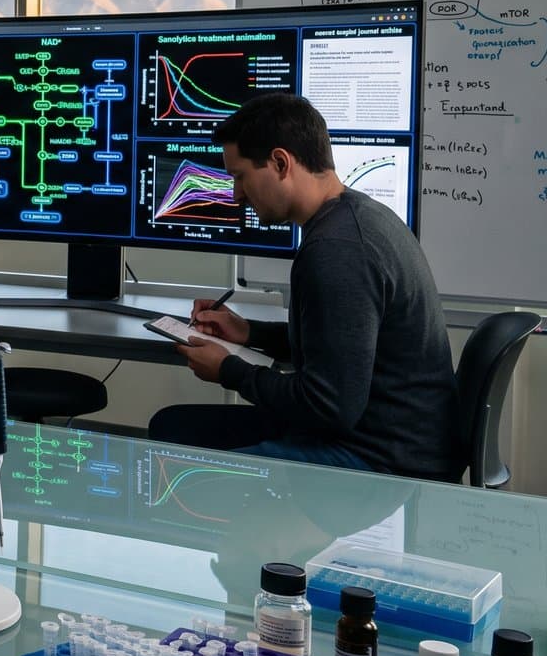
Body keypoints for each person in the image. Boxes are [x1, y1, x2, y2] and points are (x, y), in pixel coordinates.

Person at [148, 93, 460, 479]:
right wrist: (249, 333)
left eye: (240, 176)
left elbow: (328, 407)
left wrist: (230, 371)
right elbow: (341, 347)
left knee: (192, 474)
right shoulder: (358, 218)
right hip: (391, 437)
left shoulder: (337, 251)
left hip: (383, 461)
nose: (236, 195)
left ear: (281, 163)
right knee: (173, 426)